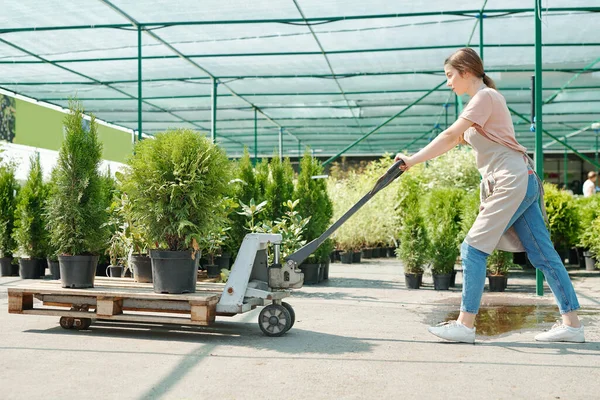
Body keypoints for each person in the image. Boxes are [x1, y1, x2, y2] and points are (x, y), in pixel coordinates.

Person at [395, 48, 584, 344]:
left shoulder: (485, 98)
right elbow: (448, 141)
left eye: (449, 76)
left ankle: (465, 325)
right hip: (521, 178)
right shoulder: (479, 104)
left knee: (472, 249)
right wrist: (412, 161)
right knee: (543, 255)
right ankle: (572, 325)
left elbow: (448, 135)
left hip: (511, 180)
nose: (448, 83)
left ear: (466, 72)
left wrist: (411, 161)